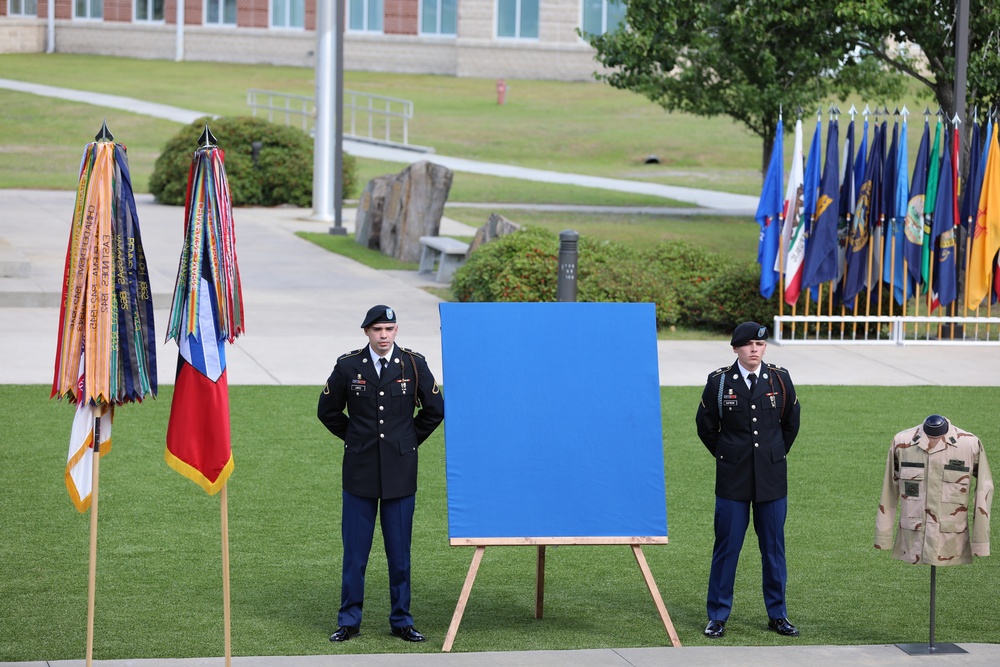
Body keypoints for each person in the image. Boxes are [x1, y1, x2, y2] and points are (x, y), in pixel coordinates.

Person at [317, 304, 445, 643]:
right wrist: (356, 438)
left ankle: (402, 620)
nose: (384, 335)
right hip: (359, 473)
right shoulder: (348, 366)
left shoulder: (414, 364)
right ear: (367, 333)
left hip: (400, 473)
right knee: (355, 554)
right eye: (377, 330)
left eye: (389, 329)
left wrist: (407, 442)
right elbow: (327, 411)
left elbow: (435, 410)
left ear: (397, 330)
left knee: (399, 554)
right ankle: (349, 620)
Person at [694, 321, 801, 639]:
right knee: (727, 548)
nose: (755, 349)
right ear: (736, 349)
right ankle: (717, 615)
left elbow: (790, 424)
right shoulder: (719, 382)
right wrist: (728, 455)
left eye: (761, 344)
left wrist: (772, 456)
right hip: (732, 479)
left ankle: (778, 614)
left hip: (771, 479)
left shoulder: (780, 379)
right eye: (749, 345)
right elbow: (706, 426)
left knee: (773, 548)